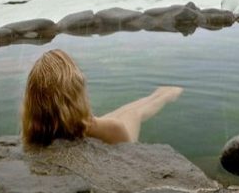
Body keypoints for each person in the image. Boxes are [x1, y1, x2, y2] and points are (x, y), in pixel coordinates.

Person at [21, 49, 183, 148]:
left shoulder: (36, 130)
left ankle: (157, 94)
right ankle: (164, 96)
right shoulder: (101, 128)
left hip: (78, 125)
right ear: (75, 97)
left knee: (116, 114)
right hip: (114, 136)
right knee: (133, 114)